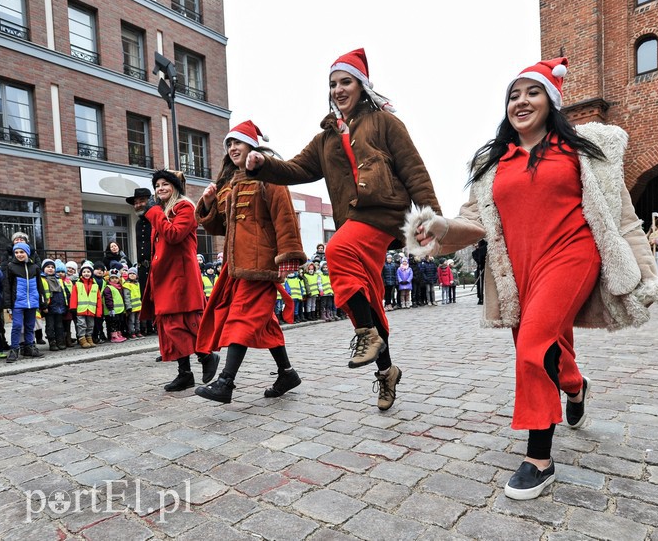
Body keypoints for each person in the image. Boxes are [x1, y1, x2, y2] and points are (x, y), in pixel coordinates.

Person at [405, 58, 658, 500]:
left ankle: (539, 458)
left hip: (572, 255)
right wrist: (439, 228)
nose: (522, 101)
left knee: (533, 344)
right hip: (518, 270)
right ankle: (575, 385)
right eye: (514, 95)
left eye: (532, 92)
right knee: (546, 347)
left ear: (551, 101)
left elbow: (621, 217)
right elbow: (474, 223)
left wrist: (645, 273)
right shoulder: (492, 164)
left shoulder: (585, 151)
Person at [244, 48, 442, 411]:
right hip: (353, 222)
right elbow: (296, 169)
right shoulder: (326, 138)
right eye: (332, 84)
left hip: (385, 213)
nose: (338, 89)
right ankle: (387, 371)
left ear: (362, 85)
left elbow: (415, 171)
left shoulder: (385, 123)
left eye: (345, 82)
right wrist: (263, 165)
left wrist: (433, 220)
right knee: (365, 296)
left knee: (336, 250)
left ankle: (365, 334)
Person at [194, 121, 306, 404]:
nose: (232, 148)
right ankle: (287, 373)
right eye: (229, 144)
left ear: (252, 145)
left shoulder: (270, 175)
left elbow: (285, 216)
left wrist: (288, 256)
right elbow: (220, 228)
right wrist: (207, 203)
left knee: (241, 318)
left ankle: (225, 382)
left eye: (238, 143)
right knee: (264, 323)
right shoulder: (230, 183)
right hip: (236, 266)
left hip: (261, 265)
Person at [140, 169, 218, 392]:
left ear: (175, 186)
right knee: (169, 324)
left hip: (180, 277)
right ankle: (185, 373)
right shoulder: (164, 210)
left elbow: (174, 235)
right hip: (165, 276)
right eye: (157, 186)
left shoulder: (184, 207)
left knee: (183, 322)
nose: (160, 188)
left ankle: (206, 356)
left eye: (165, 184)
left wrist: (155, 213)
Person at [3, 242, 46, 362]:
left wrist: (42, 302)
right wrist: (8, 304)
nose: (19, 254)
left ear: (27, 253)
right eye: (16, 252)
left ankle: (29, 347)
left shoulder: (34, 267)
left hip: (32, 302)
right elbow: (7, 286)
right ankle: (14, 349)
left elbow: (40, 286)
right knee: (17, 326)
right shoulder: (11, 266)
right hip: (17, 302)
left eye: (21, 252)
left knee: (30, 326)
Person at [126, 188, 155, 335]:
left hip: (156, 269)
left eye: (142, 201)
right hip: (144, 271)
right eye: (136, 203)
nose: (138, 205)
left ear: (150, 201)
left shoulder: (157, 218)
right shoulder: (138, 224)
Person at [40, 259, 68, 351]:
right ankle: (52, 342)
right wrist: (44, 306)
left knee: (59, 326)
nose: (50, 269)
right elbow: (41, 294)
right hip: (49, 307)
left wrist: (66, 304)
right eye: (48, 267)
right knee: (50, 326)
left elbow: (64, 292)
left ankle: (60, 342)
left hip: (59, 306)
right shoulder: (42, 279)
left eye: (52, 267)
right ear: (43, 269)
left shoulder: (59, 279)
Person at [123, 267, 143, 338]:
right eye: (130, 273)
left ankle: (138, 331)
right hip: (131, 306)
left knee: (137, 320)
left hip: (138, 306)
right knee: (131, 320)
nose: (132, 275)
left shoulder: (137, 284)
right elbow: (126, 297)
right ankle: (131, 332)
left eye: (133, 273)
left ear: (136, 275)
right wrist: (128, 306)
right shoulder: (126, 285)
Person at [472, 239, 487, 305]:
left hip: (486, 267)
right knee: (480, 284)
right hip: (480, 268)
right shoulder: (474, 253)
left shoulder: (484, 247)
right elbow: (478, 261)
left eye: (477, 243)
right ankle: (480, 297)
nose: (476, 245)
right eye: (474, 244)